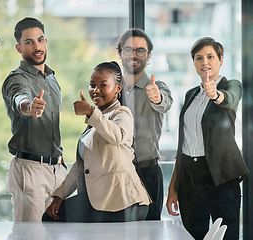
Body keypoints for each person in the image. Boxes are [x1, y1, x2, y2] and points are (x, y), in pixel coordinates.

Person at [42, 61, 151, 222]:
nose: (96, 90)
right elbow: (80, 168)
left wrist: (91, 112)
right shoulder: (94, 122)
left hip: (125, 201)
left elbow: (117, 136)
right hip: (99, 199)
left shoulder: (122, 113)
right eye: (92, 85)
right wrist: (59, 196)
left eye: (103, 85)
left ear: (118, 88)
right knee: (50, 217)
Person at [166, 37, 249, 240]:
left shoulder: (231, 85)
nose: (205, 62)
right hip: (189, 176)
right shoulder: (190, 94)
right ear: (194, 63)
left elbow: (230, 99)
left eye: (210, 57)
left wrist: (217, 95)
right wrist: (173, 188)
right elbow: (184, 144)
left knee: (226, 234)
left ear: (221, 60)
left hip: (221, 175)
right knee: (192, 234)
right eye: (198, 58)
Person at [2, 17, 67, 222]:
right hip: (30, 171)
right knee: (29, 235)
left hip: (57, 171)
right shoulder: (17, 78)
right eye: (29, 42)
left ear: (45, 41)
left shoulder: (52, 78)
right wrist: (29, 106)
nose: (36, 46)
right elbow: (19, 98)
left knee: (58, 234)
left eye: (40, 40)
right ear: (18, 47)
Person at [117, 28, 173, 220]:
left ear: (148, 56)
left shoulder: (157, 87)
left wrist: (156, 98)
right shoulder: (112, 89)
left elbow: (164, 102)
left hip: (147, 173)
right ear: (120, 53)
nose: (134, 55)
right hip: (116, 175)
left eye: (140, 50)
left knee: (149, 232)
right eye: (128, 50)